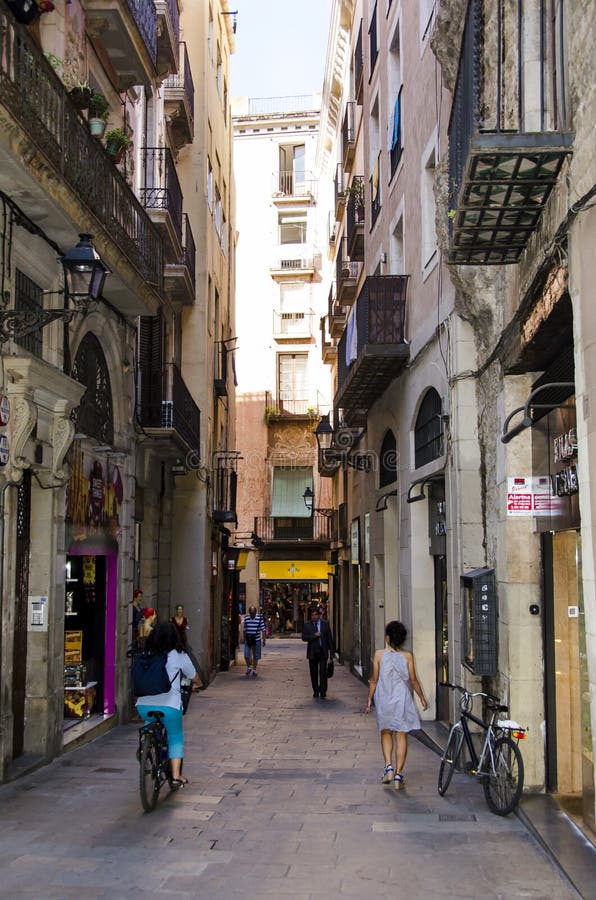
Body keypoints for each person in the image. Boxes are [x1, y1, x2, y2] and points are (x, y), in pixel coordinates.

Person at [136, 621, 201, 786]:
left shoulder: (146, 653)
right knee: (175, 736)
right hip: (170, 707)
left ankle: (146, 747)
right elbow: (194, 676)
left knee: (150, 723)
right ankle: (176, 775)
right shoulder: (178, 655)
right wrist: (197, 684)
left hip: (143, 706)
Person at [365, 620, 428, 790]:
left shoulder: (379, 655)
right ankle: (399, 775)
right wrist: (422, 697)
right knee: (402, 734)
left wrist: (369, 699)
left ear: (387, 637)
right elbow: (413, 680)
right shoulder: (407, 656)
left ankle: (388, 768)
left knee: (386, 732)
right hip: (402, 699)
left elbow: (374, 680)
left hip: (384, 697)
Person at [302, 606, 334, 699]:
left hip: (322, 651)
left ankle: (323, 691)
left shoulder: (325, 624)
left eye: (315, 615)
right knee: (314, 672)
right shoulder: (307, 625)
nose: (314, 617)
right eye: (312, 615)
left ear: (319, 615)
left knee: (323, 672)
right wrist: (314, 635)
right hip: (312, 652)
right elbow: (304, 637)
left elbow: (329, 638)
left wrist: (331, 653)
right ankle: (316, 690)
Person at [242, 605, 266, 677]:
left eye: (253, 613)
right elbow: (244, 629)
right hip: (248, 639)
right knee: (246, 654)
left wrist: (264, 640)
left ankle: (254, 669)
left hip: (257, 639)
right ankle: (249, 667)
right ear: (249, 612)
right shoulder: (246, 618)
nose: (252, 614)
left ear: (256, 612)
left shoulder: (259, 618)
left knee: (256, 655)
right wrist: (244, 638)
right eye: (251, 612)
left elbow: (263, 629)